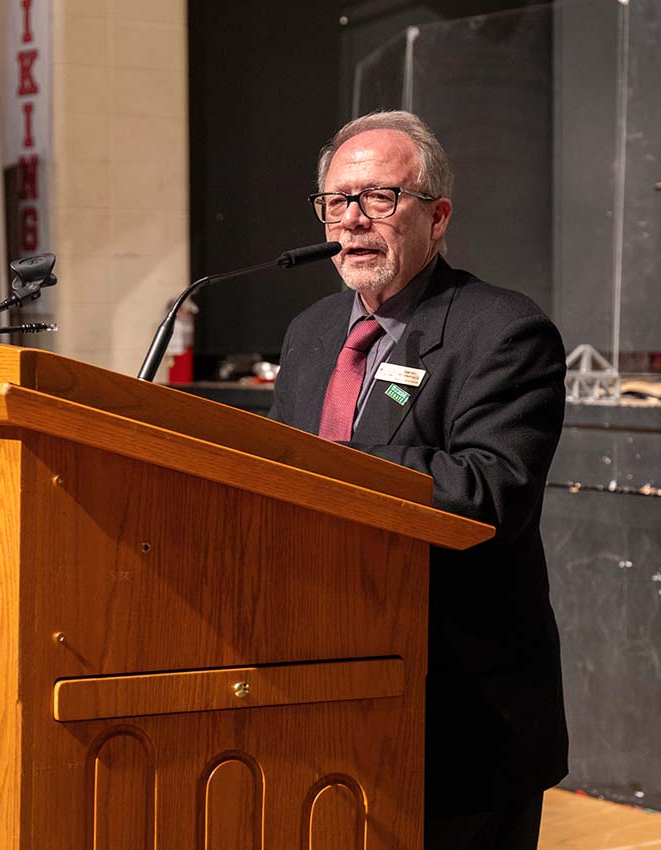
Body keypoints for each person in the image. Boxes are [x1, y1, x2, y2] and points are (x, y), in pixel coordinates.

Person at [269, 110, 568, 850]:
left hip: (459, 711)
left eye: (380, 198)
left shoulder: (503, 330)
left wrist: (332, 466)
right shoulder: (310, 332)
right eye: (338, 201)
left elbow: (490, 491)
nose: (353, 220)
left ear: (437, 217)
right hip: (321, 686)